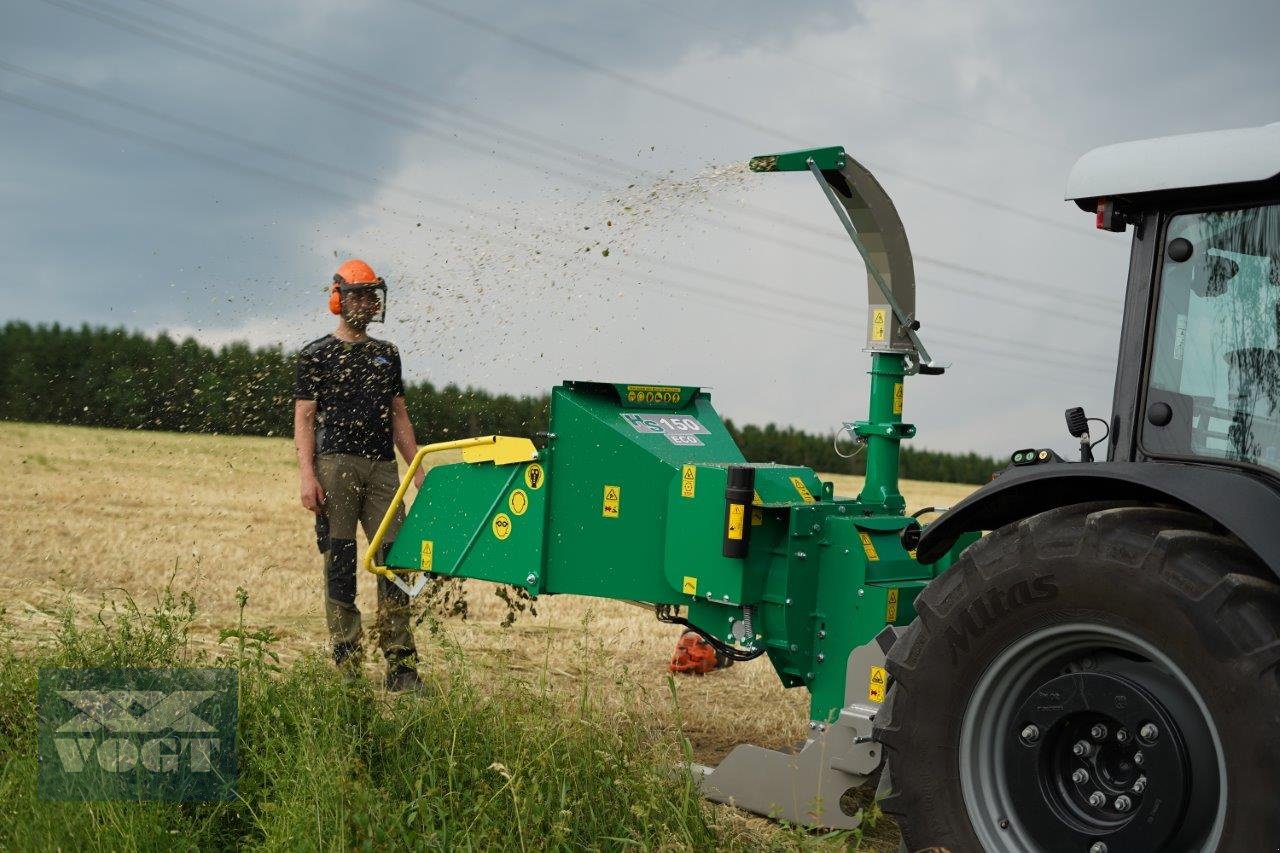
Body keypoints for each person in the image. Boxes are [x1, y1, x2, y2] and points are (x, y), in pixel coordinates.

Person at [293, 258, 426, 691]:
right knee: (342, 563)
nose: (369, 302)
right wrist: (307, 476)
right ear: (339, 299)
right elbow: (305, 419)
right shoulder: (316, 355)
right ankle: (348, 667)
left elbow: (400, 418)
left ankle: (401, 667)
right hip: (336, 466)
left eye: (373, 294)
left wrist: (419, 472)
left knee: (395, 562)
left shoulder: (387, 354)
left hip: (384, 468)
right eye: (361, 294)